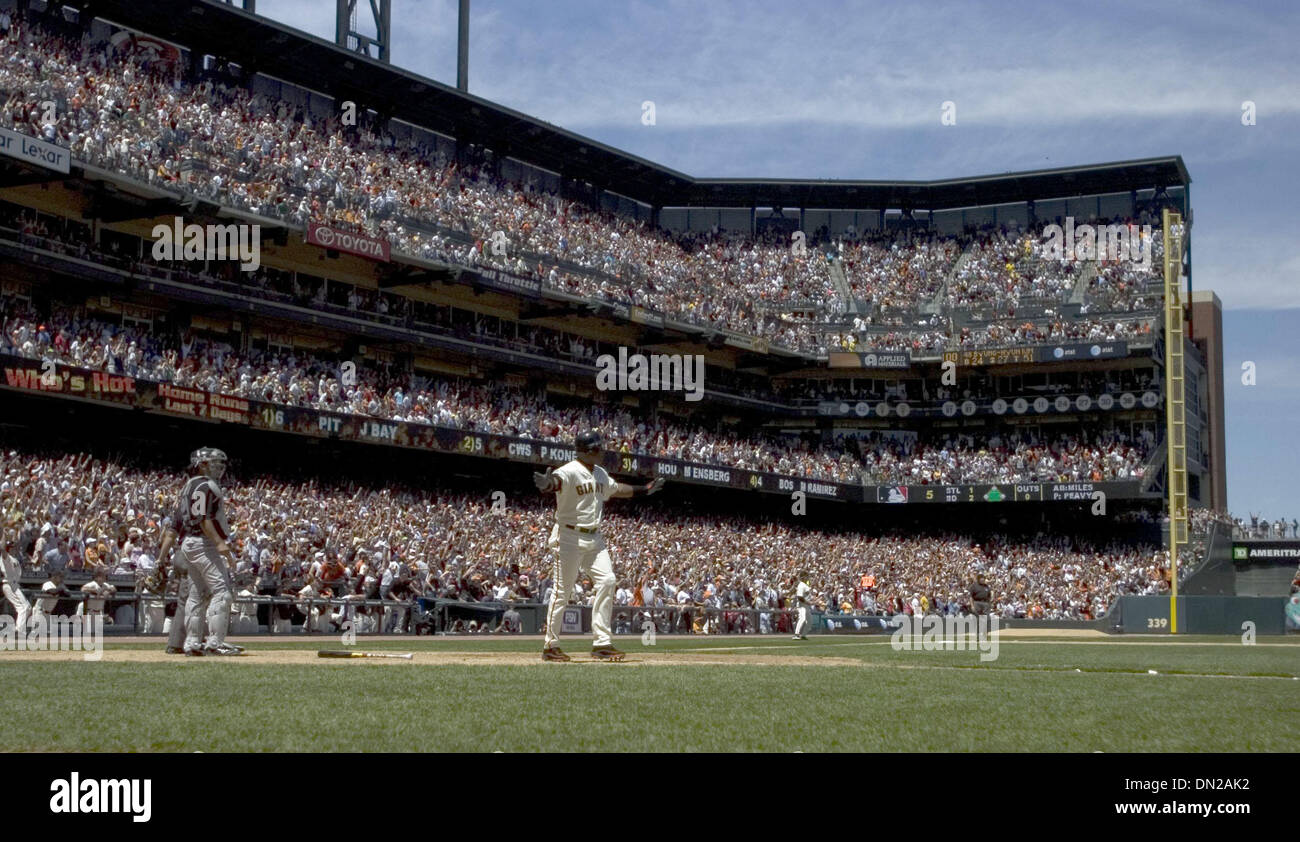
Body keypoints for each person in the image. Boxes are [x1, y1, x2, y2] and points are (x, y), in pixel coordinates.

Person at [532, 429, 665, 661]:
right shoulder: (570, 470)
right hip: (568, 536)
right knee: (562, 591)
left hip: (594, 538)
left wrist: (643, 489)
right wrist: (547, 484)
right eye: (596, 448)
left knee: (608, 580)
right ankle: (550, 646)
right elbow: (556, 482)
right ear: (583, 451)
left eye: (600, 447)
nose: (600, 451)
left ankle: (601, 643)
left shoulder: (601, 473)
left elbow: (616, 489)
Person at [176, 447, 242, 655]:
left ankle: (192, 642)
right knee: (222, 593)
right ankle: (215, 642)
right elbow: (204, 519)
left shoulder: (189, 485)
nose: (219, 467)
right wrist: (220, 544)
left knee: (197, 595)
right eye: (214, 463)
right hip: (204, 543)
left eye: (221, 464)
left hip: (190, 541)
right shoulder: (206, 485)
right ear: (201, 464)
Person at [1, 530, 30, 632]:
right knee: (23, 607)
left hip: (14, 584)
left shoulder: (15, 558)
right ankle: (19, 631)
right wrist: (4, 536)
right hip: (8, 584)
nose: (15, 547)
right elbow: (3, 551)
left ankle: (19, 630)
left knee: (27, 607)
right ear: (9, 548)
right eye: (12, 546)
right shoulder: (6, 558)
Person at [792, 570, 812, 640]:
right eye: (807, 576)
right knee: (802, 618)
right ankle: (796, 634)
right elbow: (799, 597)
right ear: (803, 577)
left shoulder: (805, 585)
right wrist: (807, 602)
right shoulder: (801, 585)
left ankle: (803, 635)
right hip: (801, 605)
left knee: (809, 621)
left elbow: (807, 596)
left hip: (806, 605)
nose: (808, 578)